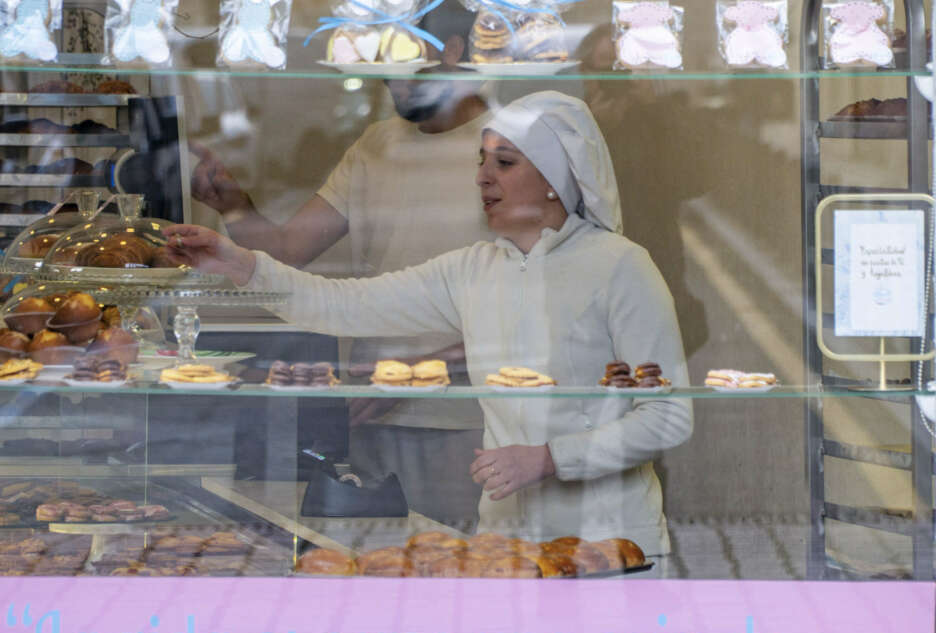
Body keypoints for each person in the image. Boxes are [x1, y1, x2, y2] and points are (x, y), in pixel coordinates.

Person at [168, 92, 693, 558]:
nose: (483, 177)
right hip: (505, 549)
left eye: (505, 163)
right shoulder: (471, 269)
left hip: (612, 545)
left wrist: (550, 459)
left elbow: (669, 416)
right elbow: (341, 304)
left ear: (556, 181)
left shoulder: (621, 266)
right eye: (482, 161)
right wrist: (238, 264)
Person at [189, 6, 493, 529]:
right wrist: (233, 204)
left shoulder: (507, 149)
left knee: (459, 579)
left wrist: (424, 370)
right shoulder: (376, 144)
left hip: (474, 418)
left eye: (400, 51)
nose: (388, 73)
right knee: (378, 573)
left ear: (453, 50)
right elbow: (286, 251)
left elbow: (534, 299)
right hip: (373, 411)